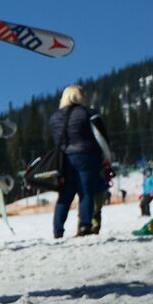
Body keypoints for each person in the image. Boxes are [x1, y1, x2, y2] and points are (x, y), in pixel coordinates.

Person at [47, 86, 111, 239]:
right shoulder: (88, 113)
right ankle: (85, 225)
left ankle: (58, 230)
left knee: (65, 195)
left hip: (63, 159)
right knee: (85, 192)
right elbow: (100, 137)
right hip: (86, 157)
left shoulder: (55, 117)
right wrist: (107, 156)